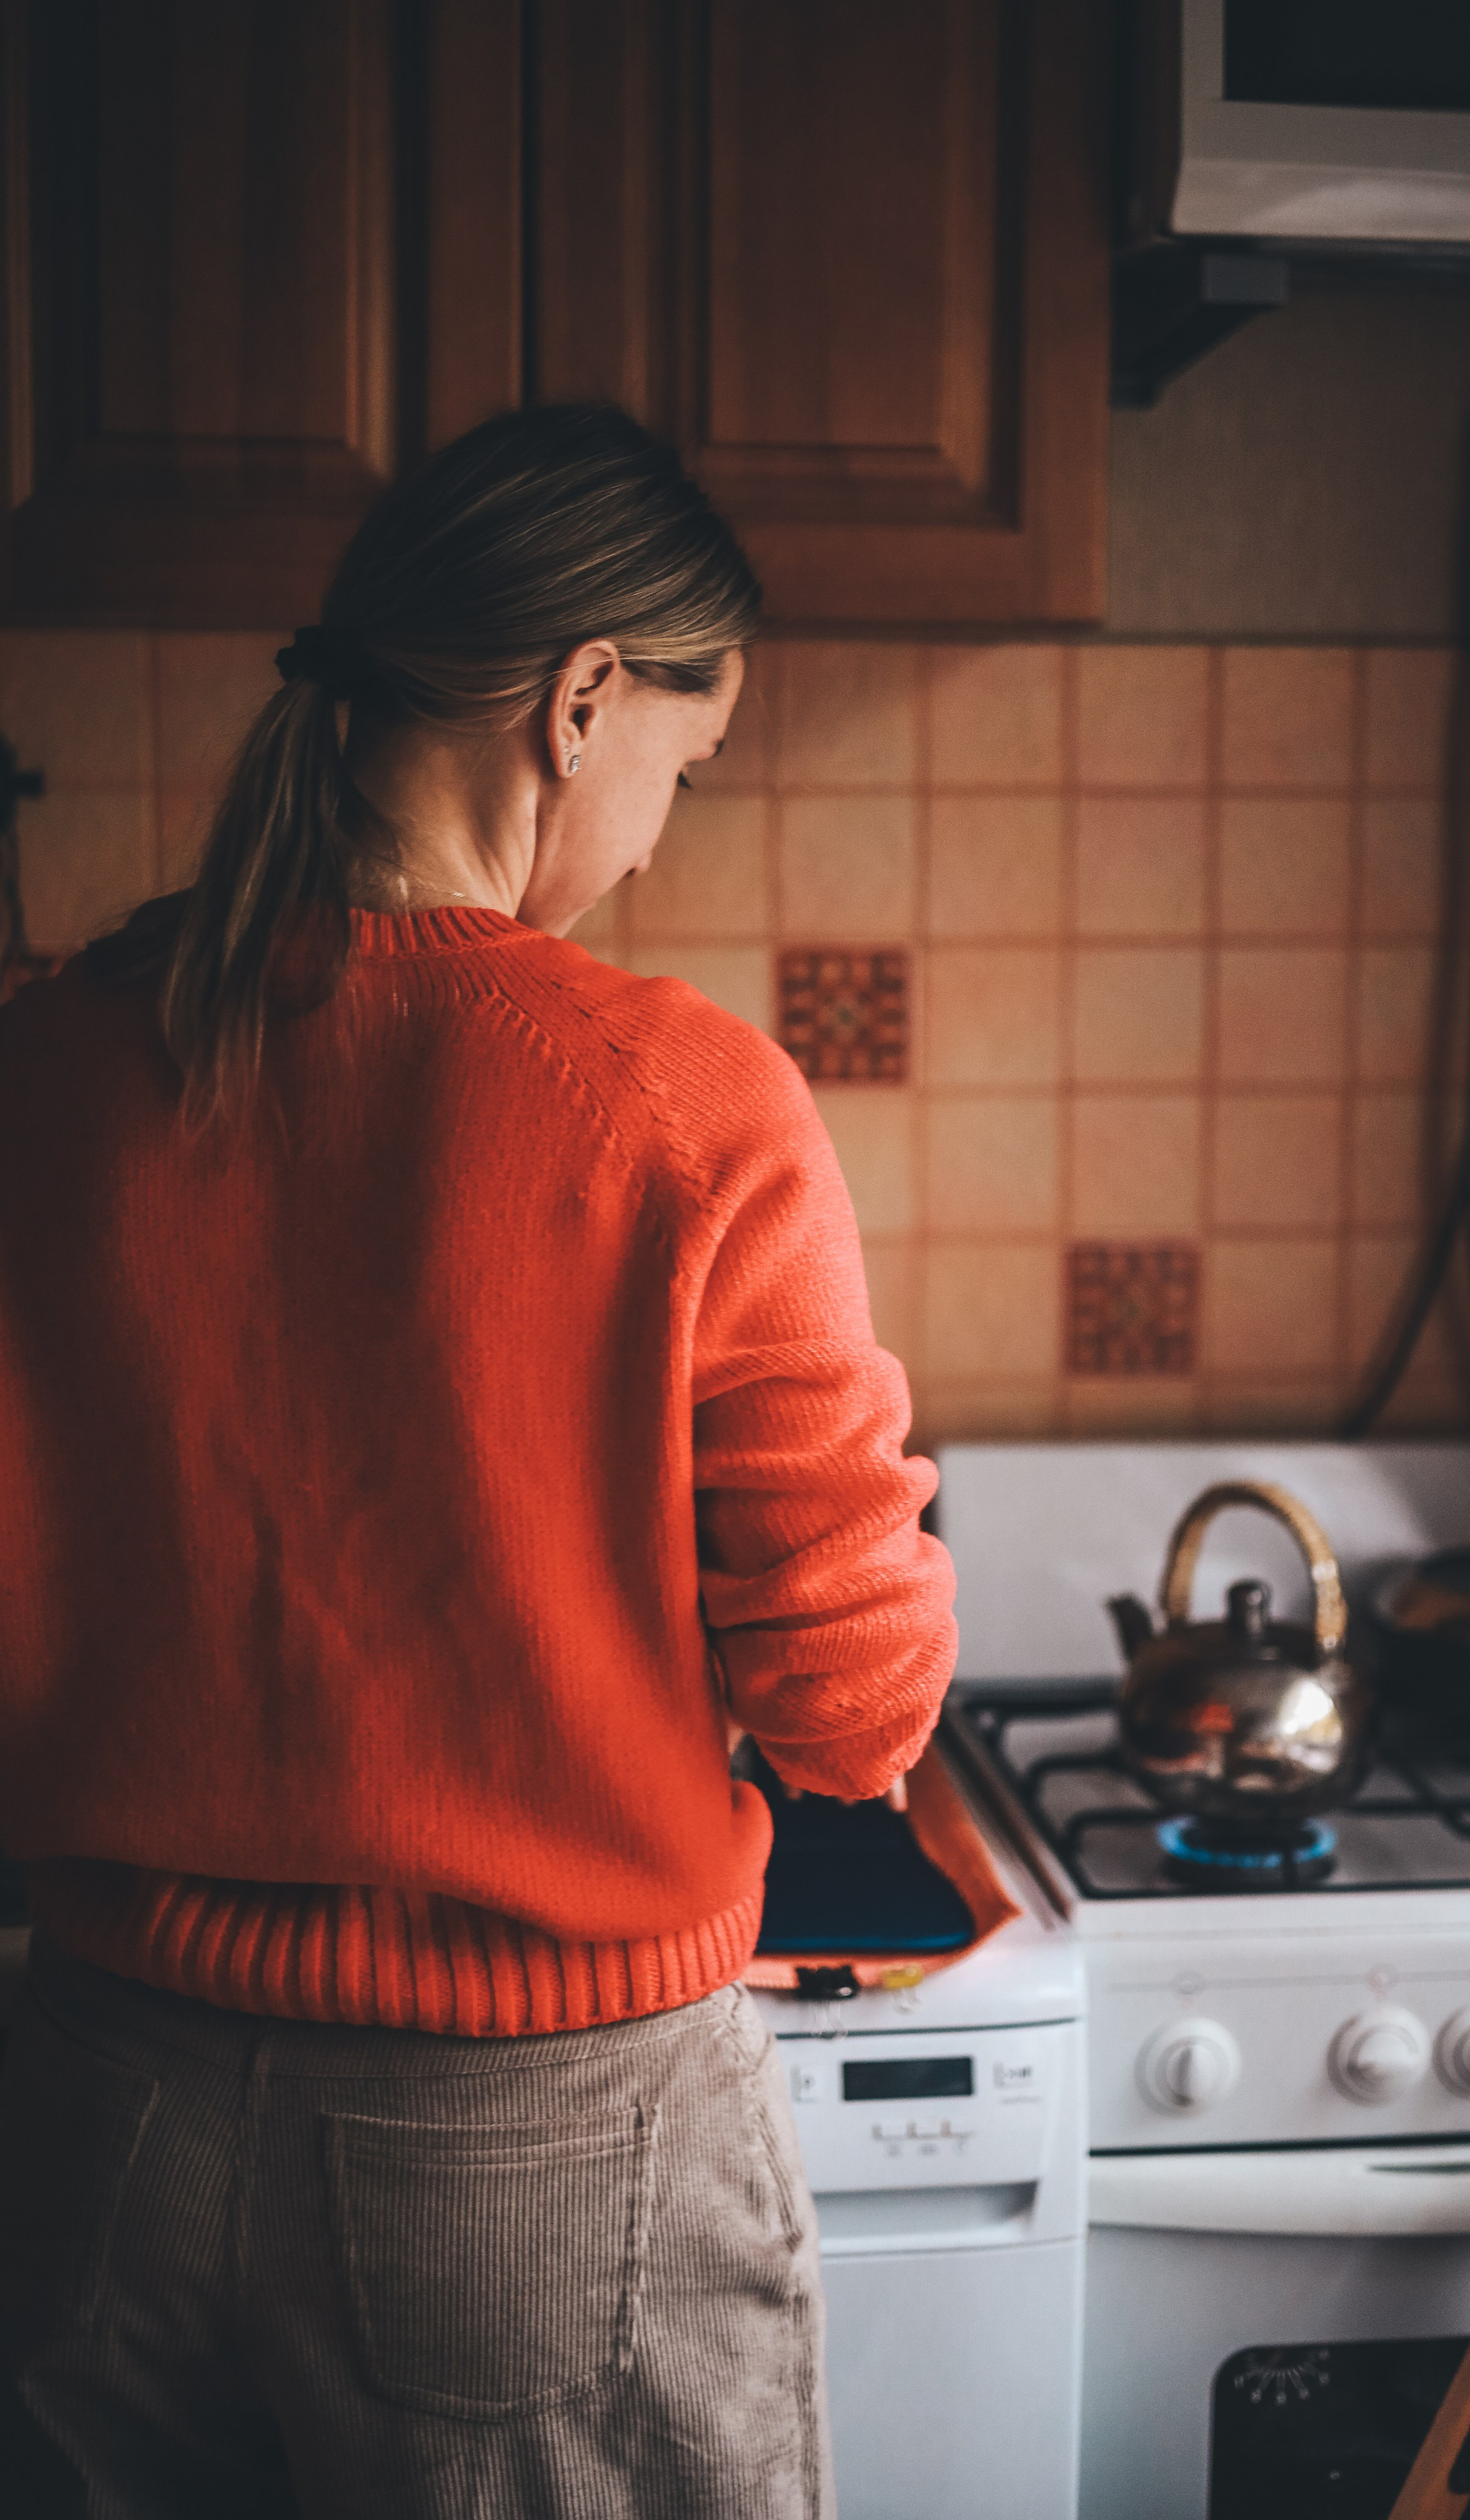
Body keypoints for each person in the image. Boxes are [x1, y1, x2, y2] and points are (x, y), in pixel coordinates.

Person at [0, 404, 957, 2518]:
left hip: (97, 2119)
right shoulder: (676, 1100)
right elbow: (855, 1691)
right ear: (582, 698)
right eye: (676, 777)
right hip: (532, 2140)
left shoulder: (49, 1063)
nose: (652, 842)